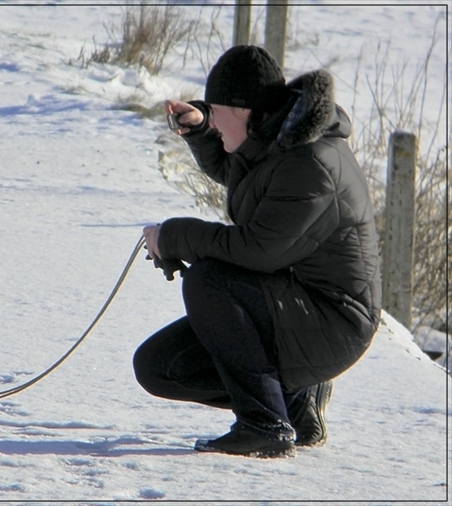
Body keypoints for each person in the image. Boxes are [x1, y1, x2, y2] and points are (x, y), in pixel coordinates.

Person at [133, 46, 381, 458]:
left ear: (244, 109)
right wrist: (202, 130)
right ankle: (296, 405)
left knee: (210, 280)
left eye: (215, 111)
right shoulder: (278, 138)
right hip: (298, 305)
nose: (212, 118)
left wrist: (174, 236)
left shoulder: (309, 163)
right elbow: (241, 173)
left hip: (334, 322)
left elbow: (258, 250)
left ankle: (264, 424)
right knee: (159, 366)